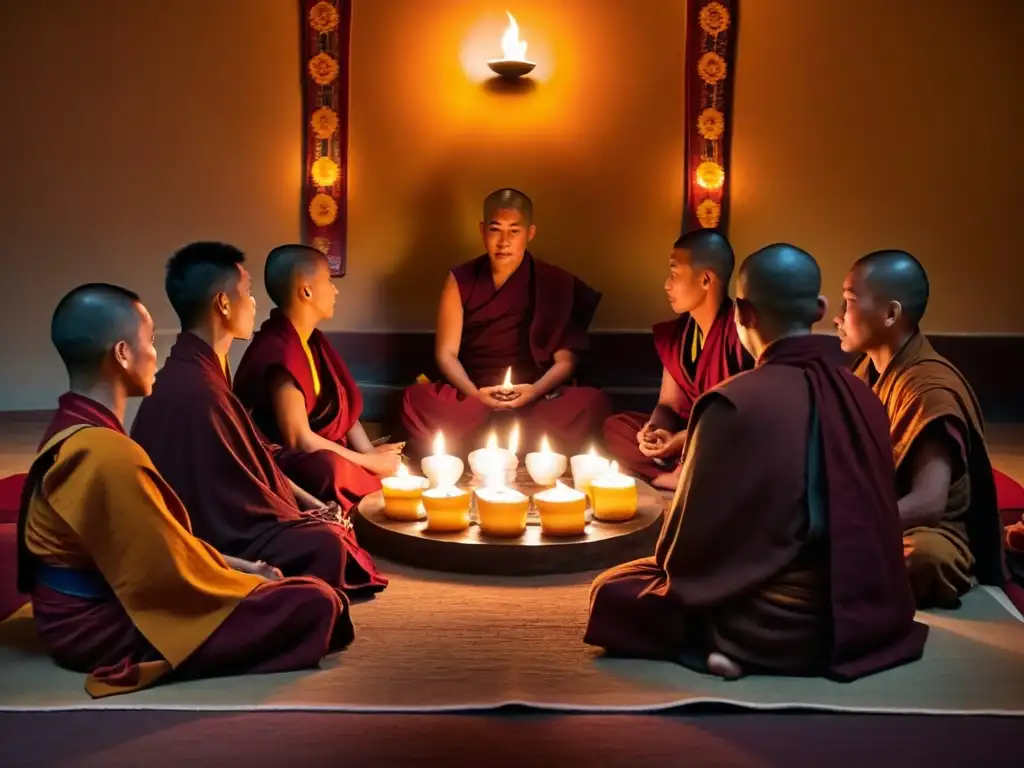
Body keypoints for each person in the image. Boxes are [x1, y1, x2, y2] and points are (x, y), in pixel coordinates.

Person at [585, 244, 927, 681]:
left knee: (613, 590)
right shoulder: (863, 394)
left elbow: (683, 555)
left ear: (741, 314)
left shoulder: (732, 402)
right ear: (821, 309)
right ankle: (739, 649)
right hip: (867, 609)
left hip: (773, 619)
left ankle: (727, 647)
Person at [18, 284, 352, 698]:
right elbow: (167, 576)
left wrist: (244, 568)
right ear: (122, 354)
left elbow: (165, 543)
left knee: (294, 585)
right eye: (150, 340)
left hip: (82, 608)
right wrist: (249, 583)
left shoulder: (74, 425)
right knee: (313, 602)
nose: (156, 354)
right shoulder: (105, 453)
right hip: (94, 628)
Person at [131, 243, 387, 597]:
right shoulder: (198, 390)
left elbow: (254, 458)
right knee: (329, 544)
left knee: (329, 531)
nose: (254, 303)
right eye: (248, 293)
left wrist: (310, 505)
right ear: (223, 304)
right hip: (213, 532)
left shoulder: (206, 369)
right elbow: (236, 496)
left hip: (235, 511)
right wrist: (296, 516)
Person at [835, 250, 1005, 607]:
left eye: (849, 302)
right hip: (875, 515)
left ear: (891, 313)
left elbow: (928, 504)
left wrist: (848, 529)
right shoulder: (864, 372)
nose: (838, 316)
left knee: (921, 559)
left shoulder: (928, 387)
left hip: (928, 531)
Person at [400, 189, 611, 458]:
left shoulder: (554, 282)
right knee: (415, 399)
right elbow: (446, 353)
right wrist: (476, 395)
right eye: (495, 229)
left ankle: (478, 444)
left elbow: (565, 361)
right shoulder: (460, 280)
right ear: (482, 230)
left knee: (591, 403)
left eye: (514, 231)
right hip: (473, 393)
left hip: (534, 395)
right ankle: (521, 444)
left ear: (530, 233)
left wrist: (533, 391)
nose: (503, 241)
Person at [233, 245, 402, 512]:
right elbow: (299, 439)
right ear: (306, 290)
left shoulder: (312, 342)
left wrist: (369, 453)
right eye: (329, 281)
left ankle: (373, 484)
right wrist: (369, 462)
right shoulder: (279, 349)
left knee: (379, 466)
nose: (335, 290)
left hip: (325, 451)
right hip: (284, 465)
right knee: (331, 470)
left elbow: (342, 411)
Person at [602, 231, 753, 489]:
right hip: (683, 440)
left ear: (706, 279)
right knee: (617, 427)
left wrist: (683, 440)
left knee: (733, 449)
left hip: (717, 438)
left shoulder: (740, 333)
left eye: (674, 273)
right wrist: (654, 431)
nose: (667, 284)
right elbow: (668, 404)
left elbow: (738, 418)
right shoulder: (679, 335)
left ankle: (671, 477)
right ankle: (672, 478)